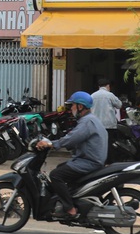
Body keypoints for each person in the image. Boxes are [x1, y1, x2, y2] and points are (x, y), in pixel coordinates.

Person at [36, 91, 108, 219]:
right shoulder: (91, 119)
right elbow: (75, 140)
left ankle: (70, 209)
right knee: (61, 168)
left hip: (88, 162)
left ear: (80, 107)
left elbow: (71, 138)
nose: (71, 109)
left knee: (56, 175)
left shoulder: (86, 122)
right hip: (90, 160)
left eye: (73, 105)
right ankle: (72, 200)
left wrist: (50, 144)